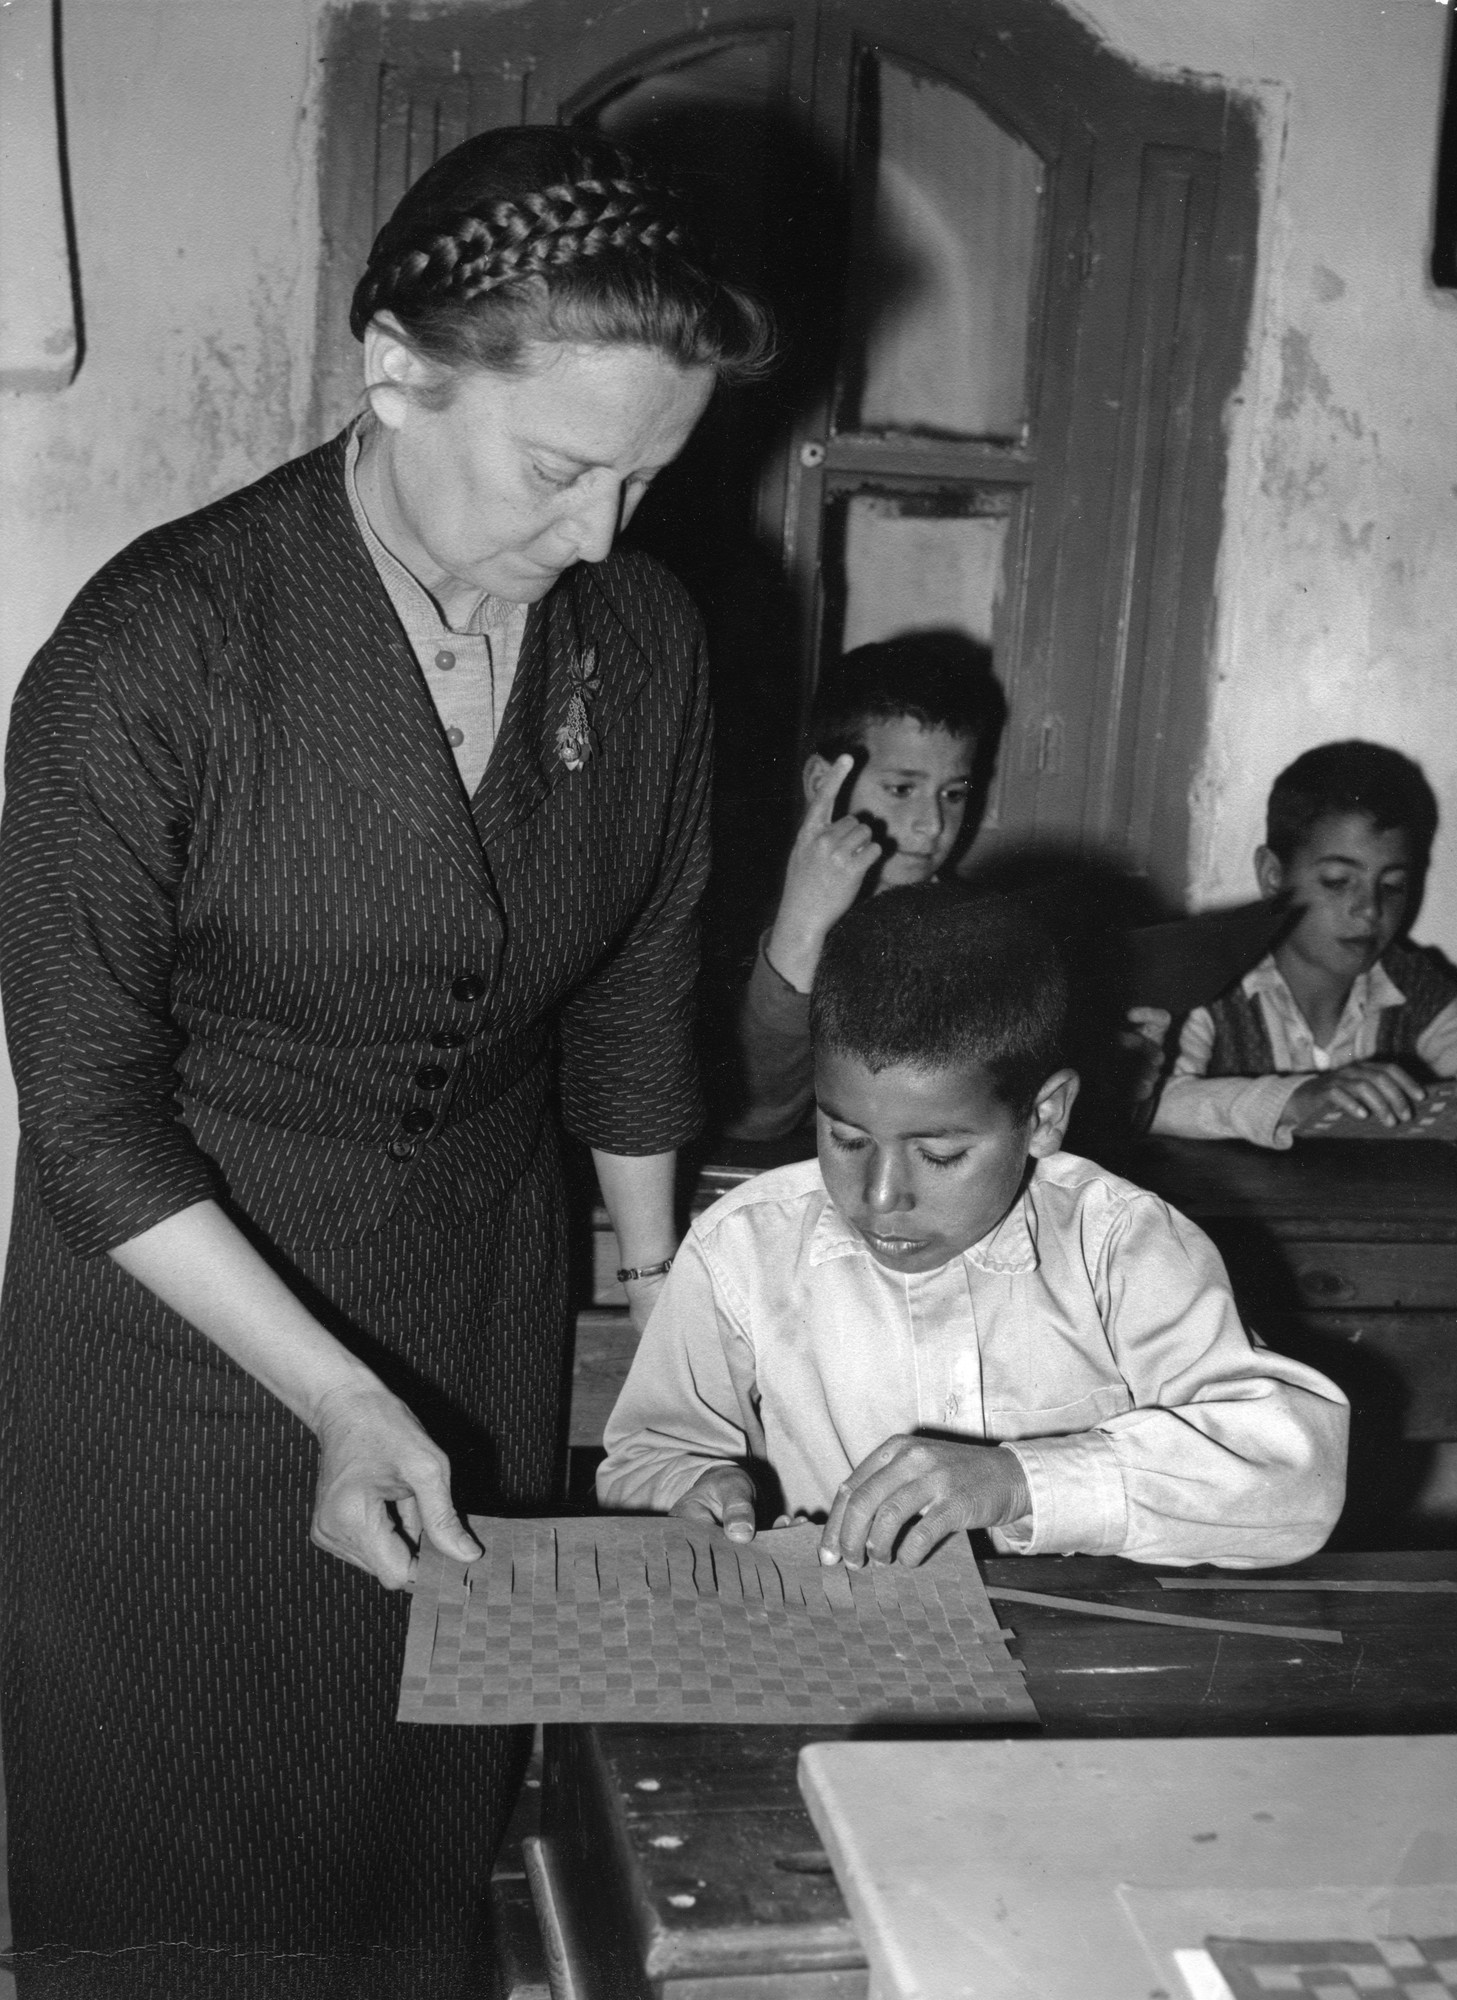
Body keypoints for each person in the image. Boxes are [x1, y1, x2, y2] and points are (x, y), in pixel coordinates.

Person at [0, 127, 770, 1998]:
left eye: (646, 480)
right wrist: (337, 1400)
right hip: (177, 1360)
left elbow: (633, 996)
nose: (597, 536)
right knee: (193, 1882)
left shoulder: (641, 640)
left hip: (475, 1305)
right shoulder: (152, 652)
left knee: (420, 1855)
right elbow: (90, 1124)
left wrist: (676, 1335)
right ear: (394, 369)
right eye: (561, 469)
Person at [599, 889, 1347, 1570]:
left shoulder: (1119, 1246)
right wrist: (697, 1485)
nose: (881, 1195)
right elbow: (647, 1456)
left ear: (1044, 1116)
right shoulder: (744, 1248)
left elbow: (1297, 1481)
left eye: (940, 1153)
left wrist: (1021, 1482)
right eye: (845, 1138)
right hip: (837, 1648)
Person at [1151, 741, 1457, 1148]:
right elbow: (1153, 1104)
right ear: (1273, 876)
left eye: (1392, 886)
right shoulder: (1207, 980)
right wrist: (1297, 1099)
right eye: (1338, 882)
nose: (1369, 910)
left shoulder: (1415, 984)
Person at [727, 635, 999, 1141]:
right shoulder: (744, 916)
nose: (931, 824)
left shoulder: (971, 922)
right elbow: (755, 1118)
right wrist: (802, 928)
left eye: (953, 793)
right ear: (821, 782)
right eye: (901, 789)